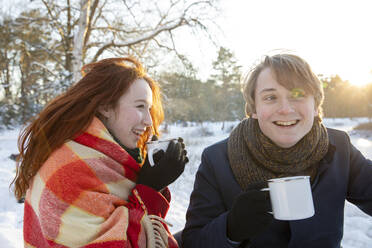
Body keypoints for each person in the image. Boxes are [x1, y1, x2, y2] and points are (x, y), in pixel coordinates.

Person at [181, 53, 372, 248]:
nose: (285, 109)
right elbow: (193, 241)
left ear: (315, 105)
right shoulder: (217, 160)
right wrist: (230, 228)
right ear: (254, 109)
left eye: (298, 95)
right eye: (271, 97)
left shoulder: (339, 147)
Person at [11, 57, 188, 248]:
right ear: (105, 107)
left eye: (149, 109)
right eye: (139, 106)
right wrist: (149, 190)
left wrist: (149, 181)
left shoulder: (105, 161)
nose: (148, 121)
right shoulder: (70, 171)